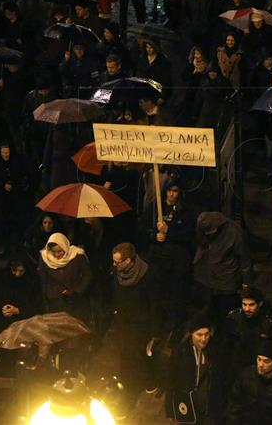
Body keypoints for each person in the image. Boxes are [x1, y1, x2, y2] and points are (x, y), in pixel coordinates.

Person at [110, 242, 163, 412]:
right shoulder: (118, 274)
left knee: (139, 354)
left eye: (118, 262)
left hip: (141, 323)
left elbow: (155, 304)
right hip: (124, 322)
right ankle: (128, 385)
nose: (115, 265)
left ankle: (146, 381)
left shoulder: (147, 275)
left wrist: (155, 333)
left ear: (129, 261)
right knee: (125, 354)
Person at [148, 178, 196, 333]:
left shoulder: (186, 211)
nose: (172, 194)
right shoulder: (155, 207)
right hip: (159, 259)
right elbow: (142, 228)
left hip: (178, 261)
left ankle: (176, 327)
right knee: (158, 294)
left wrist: (170, 232)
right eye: (169, 190)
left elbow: (188, 235)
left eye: (175, 191)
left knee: (176, 295)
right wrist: (154, 236)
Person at [164, 312, 229, 425]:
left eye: (207, 334)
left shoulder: (218, 351)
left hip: (211, 410)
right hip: (188, 407)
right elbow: (171, 381)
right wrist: (170, 410)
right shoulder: (180, 352)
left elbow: (224, 380)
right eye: (199, 334)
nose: (204, 339)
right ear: (191, 334)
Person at [193, 212, 253, 327]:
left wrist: (246, 282)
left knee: (226, 313)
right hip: (206, 278)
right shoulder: (202, 229)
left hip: (226, 279)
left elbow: (245, 259)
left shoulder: (234, 232)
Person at [225, 287, 272, 373]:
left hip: (261, 368)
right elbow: (227, 343)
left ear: (260, 304)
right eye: (244, 304)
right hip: (239, 367)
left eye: (251, 305)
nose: (247, 309)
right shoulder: (234, 318)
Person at [0, 142, 32, 256]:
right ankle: (5, 247)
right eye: (3, 153)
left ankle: (19, 246)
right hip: (2, 198)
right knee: (3, 222)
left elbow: (23, 175)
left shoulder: (17, 161)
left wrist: (16, 186)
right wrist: (2, 184)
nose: (5, 155)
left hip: (15, 197)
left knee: (16, 222)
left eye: (7, 153)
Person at [38, 232, 92, 322]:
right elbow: (44, 281)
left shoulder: (77, 255)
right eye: (54, 252)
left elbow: (87, 275)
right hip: (55, 302)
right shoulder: (45, 258)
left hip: (76, 301)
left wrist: (77, 291)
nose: (57, 255)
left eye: (60, 251)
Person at [0, 256, 42, 335]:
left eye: (21, 271)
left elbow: (36, 302)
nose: (17, 274)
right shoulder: (1, 276)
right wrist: (2, 307)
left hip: (24, 321)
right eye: (14, 270)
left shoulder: (32, 279)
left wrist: (18, 310)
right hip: (1, 318)